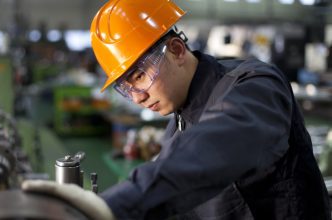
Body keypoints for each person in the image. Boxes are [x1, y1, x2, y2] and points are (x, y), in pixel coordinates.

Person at [22, 0, 331, 219]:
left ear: (176, 50)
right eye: (126, 87)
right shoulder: (176, 131)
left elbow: (215, 148)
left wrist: (116, 204)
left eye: (140, 76)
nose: (137, 96)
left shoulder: (255, 85)